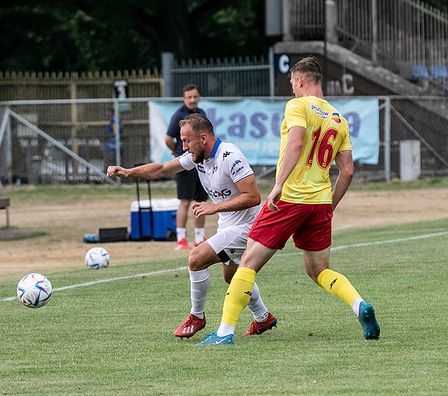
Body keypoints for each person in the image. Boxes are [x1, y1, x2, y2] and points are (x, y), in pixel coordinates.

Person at [197, 56, 380, 346]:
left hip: (291, 198)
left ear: (300, 80)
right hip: (319, 202)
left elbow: (295, 143)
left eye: (292, 83)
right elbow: (347, 171)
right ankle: (360, 305)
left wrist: (279, 185)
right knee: (318, 269)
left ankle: (224, 333)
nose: (291, 88)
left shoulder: (298, 106)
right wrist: (329, 205)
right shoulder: (338, 119)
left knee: (247, 263)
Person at [107, 113, 278, 338]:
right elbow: (161, 169)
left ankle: (196, 316)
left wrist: (214, 208)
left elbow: (254, 197)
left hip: (249, 226)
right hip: (228, 225)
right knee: (232, 277)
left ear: (204, 138)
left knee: (196, 259)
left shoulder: (230, 157)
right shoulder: (198, 157)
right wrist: (130, 172)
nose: (184, 146)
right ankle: (263, 318)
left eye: (187, 141)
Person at [165, 84, 208, 250]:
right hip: (185, 164)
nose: (192, 100)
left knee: (200, 200)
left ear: (199, 97)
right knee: (184, 201)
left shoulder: (201, 114)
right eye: (189, 97)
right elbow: (168, 139)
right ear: (184, 99)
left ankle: (199, 237)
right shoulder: (179, 116)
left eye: (195, 97)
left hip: (200, 163)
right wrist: (177, 154)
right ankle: (181, 239)